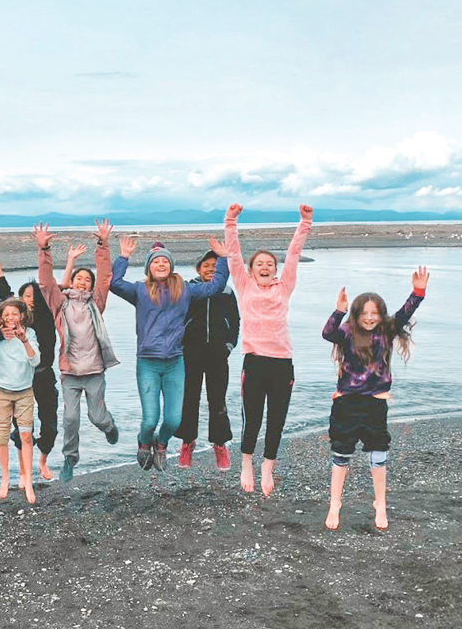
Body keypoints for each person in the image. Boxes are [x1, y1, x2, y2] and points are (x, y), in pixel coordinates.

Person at [110, 236, 229, 472]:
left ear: (171, 265)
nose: (161, 264)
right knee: (149, 420)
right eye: (156, 262)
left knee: (174, 421)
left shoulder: (184, 289)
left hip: (175, 362)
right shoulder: (139, 291)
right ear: (149, 268)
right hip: (148, 363)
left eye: (165, 261)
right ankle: (145, 442)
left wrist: (224, 258)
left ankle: (161, 444)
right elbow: (114, 283)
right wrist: (123, 256)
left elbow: (215, 286)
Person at [322, 267, 428, 531]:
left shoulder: (387, 330)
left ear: (381, 314)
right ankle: (335, 504)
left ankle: (380, 504)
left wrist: (418, 292)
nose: (370, 318)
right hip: (346, 402)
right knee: (341, 454)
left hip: (375, 404)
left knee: (378, 455)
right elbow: (327, 333)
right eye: (364, 313)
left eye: (375, 313)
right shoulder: (346, 331)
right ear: (356, 314)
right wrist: (339, 310)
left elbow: (406, 313)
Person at [224, 202, 312, 496]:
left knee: (277, 419)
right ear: (250, 270)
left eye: (269, 264)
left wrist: (304, 222)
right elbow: (233, 254)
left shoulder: (284, 286)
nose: (265, 267)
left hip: (282, 363)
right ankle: (247, 462)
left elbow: (294, 254)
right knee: (253, 419)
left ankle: (268, 466)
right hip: (255, 361)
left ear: (275, 270)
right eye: (259, 264)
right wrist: (230, 221)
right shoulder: (244, 284)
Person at [33, 220, 120, 482]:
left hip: (94, 370)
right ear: (72, 281)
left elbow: (105, 276)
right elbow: (46, 283)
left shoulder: (97, 302)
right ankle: (70, 458)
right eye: (78, 278)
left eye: (86, 280)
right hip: (70, 371)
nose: (82, 282)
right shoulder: (59, 304)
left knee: (96, 417)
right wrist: (44, 249)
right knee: (70, 418)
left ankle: (109, 426)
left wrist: (103, 244)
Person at [0, 239, 60, 481]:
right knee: (22, 427)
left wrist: (44, 250)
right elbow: (3, 290)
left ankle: (42, 461)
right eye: (25, 295)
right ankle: (24, 470)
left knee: (49, 425)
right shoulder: (16, 318)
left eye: (33, 295)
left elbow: (48, 283)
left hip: (43, 375)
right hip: (20, 379)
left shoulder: (46, 317)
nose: (29, 299)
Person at [176, 250, 240, 470]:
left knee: (218, 400)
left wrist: (229, 346)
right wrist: (180, 344)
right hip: (190, 353)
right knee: (189, 398)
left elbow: (235, 321)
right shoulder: (189, 289)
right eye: (206, 265)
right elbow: (177, 318)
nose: (210, 268)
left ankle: (220, 445)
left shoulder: (227, 291)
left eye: (215, 265)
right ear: (198, 268)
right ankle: (187, 443)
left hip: (217, 354)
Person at [0, 299, 41, 503]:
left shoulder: (29, 334)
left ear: (21, 315)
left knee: (26, 436)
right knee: (2, 437)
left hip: (24, 391)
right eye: (6, 314)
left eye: (14, 313)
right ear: (0, 317)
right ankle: (4, 480)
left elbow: (36, 360)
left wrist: (23, 340)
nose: (10, 317)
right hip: (1, 392)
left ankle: (28, 482)